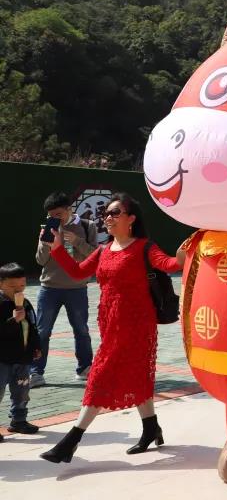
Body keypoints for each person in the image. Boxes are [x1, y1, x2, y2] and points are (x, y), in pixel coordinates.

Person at [40, 193, 183, 462]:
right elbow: (79, 272)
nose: (108, 217)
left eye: (115, 213)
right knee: (137, 375)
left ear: (131, 219)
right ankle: (151, 427)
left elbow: (169, 264)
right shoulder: (104, 249)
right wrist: (57, 247)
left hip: (136, 325)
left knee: (100, 377)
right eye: (106, 213)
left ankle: (71, 440)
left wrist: (182, 257)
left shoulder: (144, 247)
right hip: (110, 324)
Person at [31, 191, 97, 388]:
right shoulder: (47, 229)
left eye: (58, 214)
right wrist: (45, 243)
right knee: (42, 332)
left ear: (69, 209)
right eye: (51, 216)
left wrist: (77, 241)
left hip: (77, 288)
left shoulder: (87, 226)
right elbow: (40, 260)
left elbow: (94, 256)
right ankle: (36, 372)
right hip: (49, 287)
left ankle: (85, 368)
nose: (54, 219)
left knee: (82, 330)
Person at [1, 263, 42, 439]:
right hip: (2, 358)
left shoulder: (25, 303)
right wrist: (13, 321)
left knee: (22, 391)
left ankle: (19, 420)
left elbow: (32, 326)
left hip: (22, 357)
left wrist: (36, 346)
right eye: (12, 286)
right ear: (1, 284)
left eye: (22, 286)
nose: (17, 290)